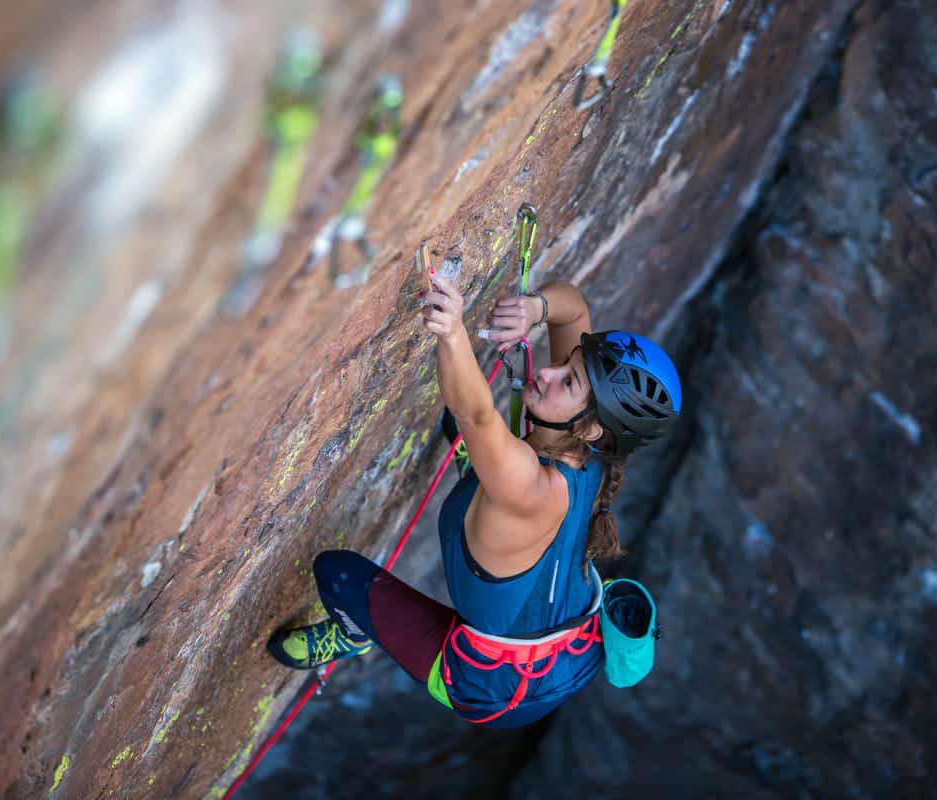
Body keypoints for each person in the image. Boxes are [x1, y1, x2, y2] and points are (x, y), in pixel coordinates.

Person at [267, 270, 682, 727]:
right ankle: (486, 479)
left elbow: (476, 413)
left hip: (494, 687)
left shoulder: (532, 490)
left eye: (567, 381)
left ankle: (353, 633)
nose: (548, 371)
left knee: (336, 572)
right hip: (567, 646)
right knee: (493, 472)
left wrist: (451, 331)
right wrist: (536, 310)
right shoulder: (590, 451)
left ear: (590, 427)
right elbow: (575, 309)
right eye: (568, 364)